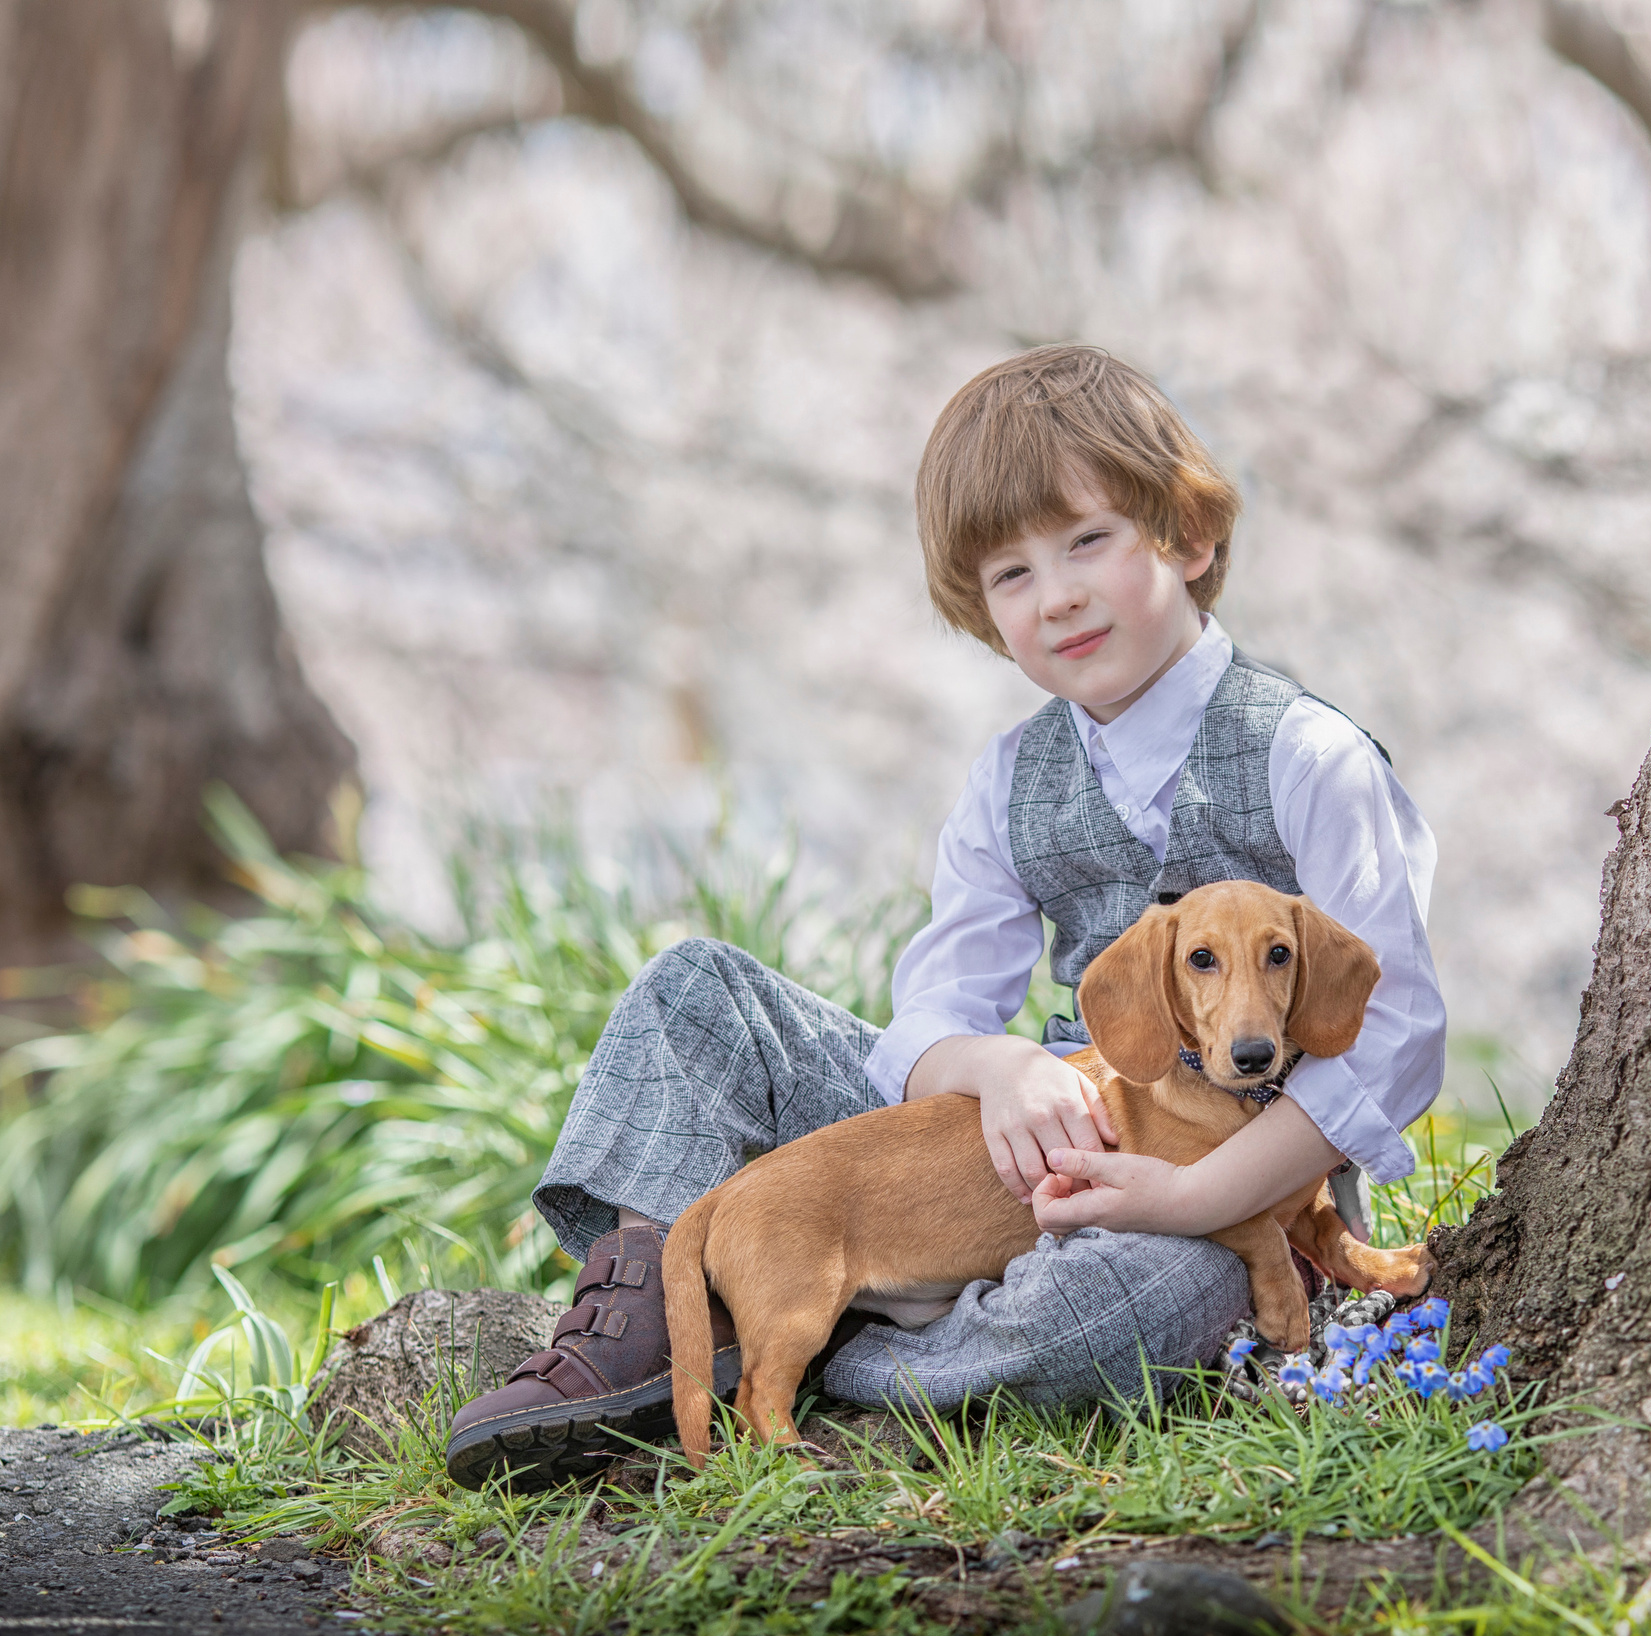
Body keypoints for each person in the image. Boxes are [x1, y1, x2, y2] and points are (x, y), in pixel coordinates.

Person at [444, 346, 1446, 1488]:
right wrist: (1002, 1065)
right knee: (697, 992)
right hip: (1036, 1150)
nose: (1056, 593)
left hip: (1241, 1197)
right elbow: (924, 1021)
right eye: (1010, 573)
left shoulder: (1305, 755)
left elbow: (1399, 1031)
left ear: (1187, 536)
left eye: (1088, 540)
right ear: (981, 611)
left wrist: (1196, 1194)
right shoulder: (1008, 781)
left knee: (1088, 1315)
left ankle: (842, 1349)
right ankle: (646, 1319)